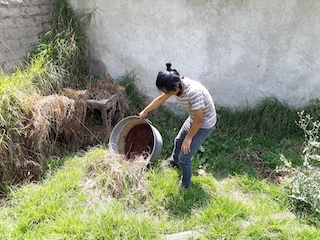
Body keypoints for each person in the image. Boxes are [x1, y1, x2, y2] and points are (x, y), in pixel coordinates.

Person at [139, 63, 216, 188]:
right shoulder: (174, 83)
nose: (166, 94)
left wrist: (189, 138)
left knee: (184, 157)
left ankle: (185, 184)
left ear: (176, 86)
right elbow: (161, 99)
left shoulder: (194, 92)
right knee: (178, 141)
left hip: (204, 124)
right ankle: (173, 161)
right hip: (193, 118)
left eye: (167, 92)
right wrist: (145, 111)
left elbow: (199, 120)